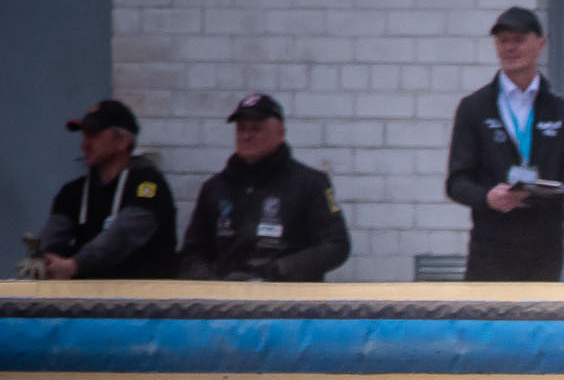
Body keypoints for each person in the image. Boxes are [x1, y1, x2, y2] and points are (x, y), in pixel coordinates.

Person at [445, 6, 564, 282]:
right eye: (503, 41)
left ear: (540, 44)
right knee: (488, 323)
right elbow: (456, 182)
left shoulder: (561, 110)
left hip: (544, 248)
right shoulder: (475, 108)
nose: (510, 48)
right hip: (491, 246)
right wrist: (487, 197)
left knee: (539, 323)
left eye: (518, 40)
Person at [179, 93, 350, 281]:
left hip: (289, 304)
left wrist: (279, 270)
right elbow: (192, 254)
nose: (247, 136)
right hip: (225, 303)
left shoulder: (310, 184)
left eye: (256, 128)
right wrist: (214, 284)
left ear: (281, 133)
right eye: (241, 129)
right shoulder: (215, 189)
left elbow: (335, 246)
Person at [38, 100, 177, 279]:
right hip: (81, 303)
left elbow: (122, 237)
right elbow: (51, 240)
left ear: (122, 141)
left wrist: (74, 265)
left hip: (143, 303)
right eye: (84, 135)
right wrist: (45, 261)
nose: (84, 145)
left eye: (94, 135)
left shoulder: (148, 185)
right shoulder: (72, 192)